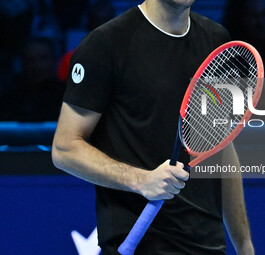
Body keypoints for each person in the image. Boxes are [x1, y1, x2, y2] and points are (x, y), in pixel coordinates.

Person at [52, 1, 254, 254]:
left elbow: (221, 147)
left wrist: (244, 245)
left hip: (207, 242)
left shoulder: (215, 40)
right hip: (140, 242)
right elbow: (65, 149)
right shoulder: (105, 44)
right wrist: (142, 180)